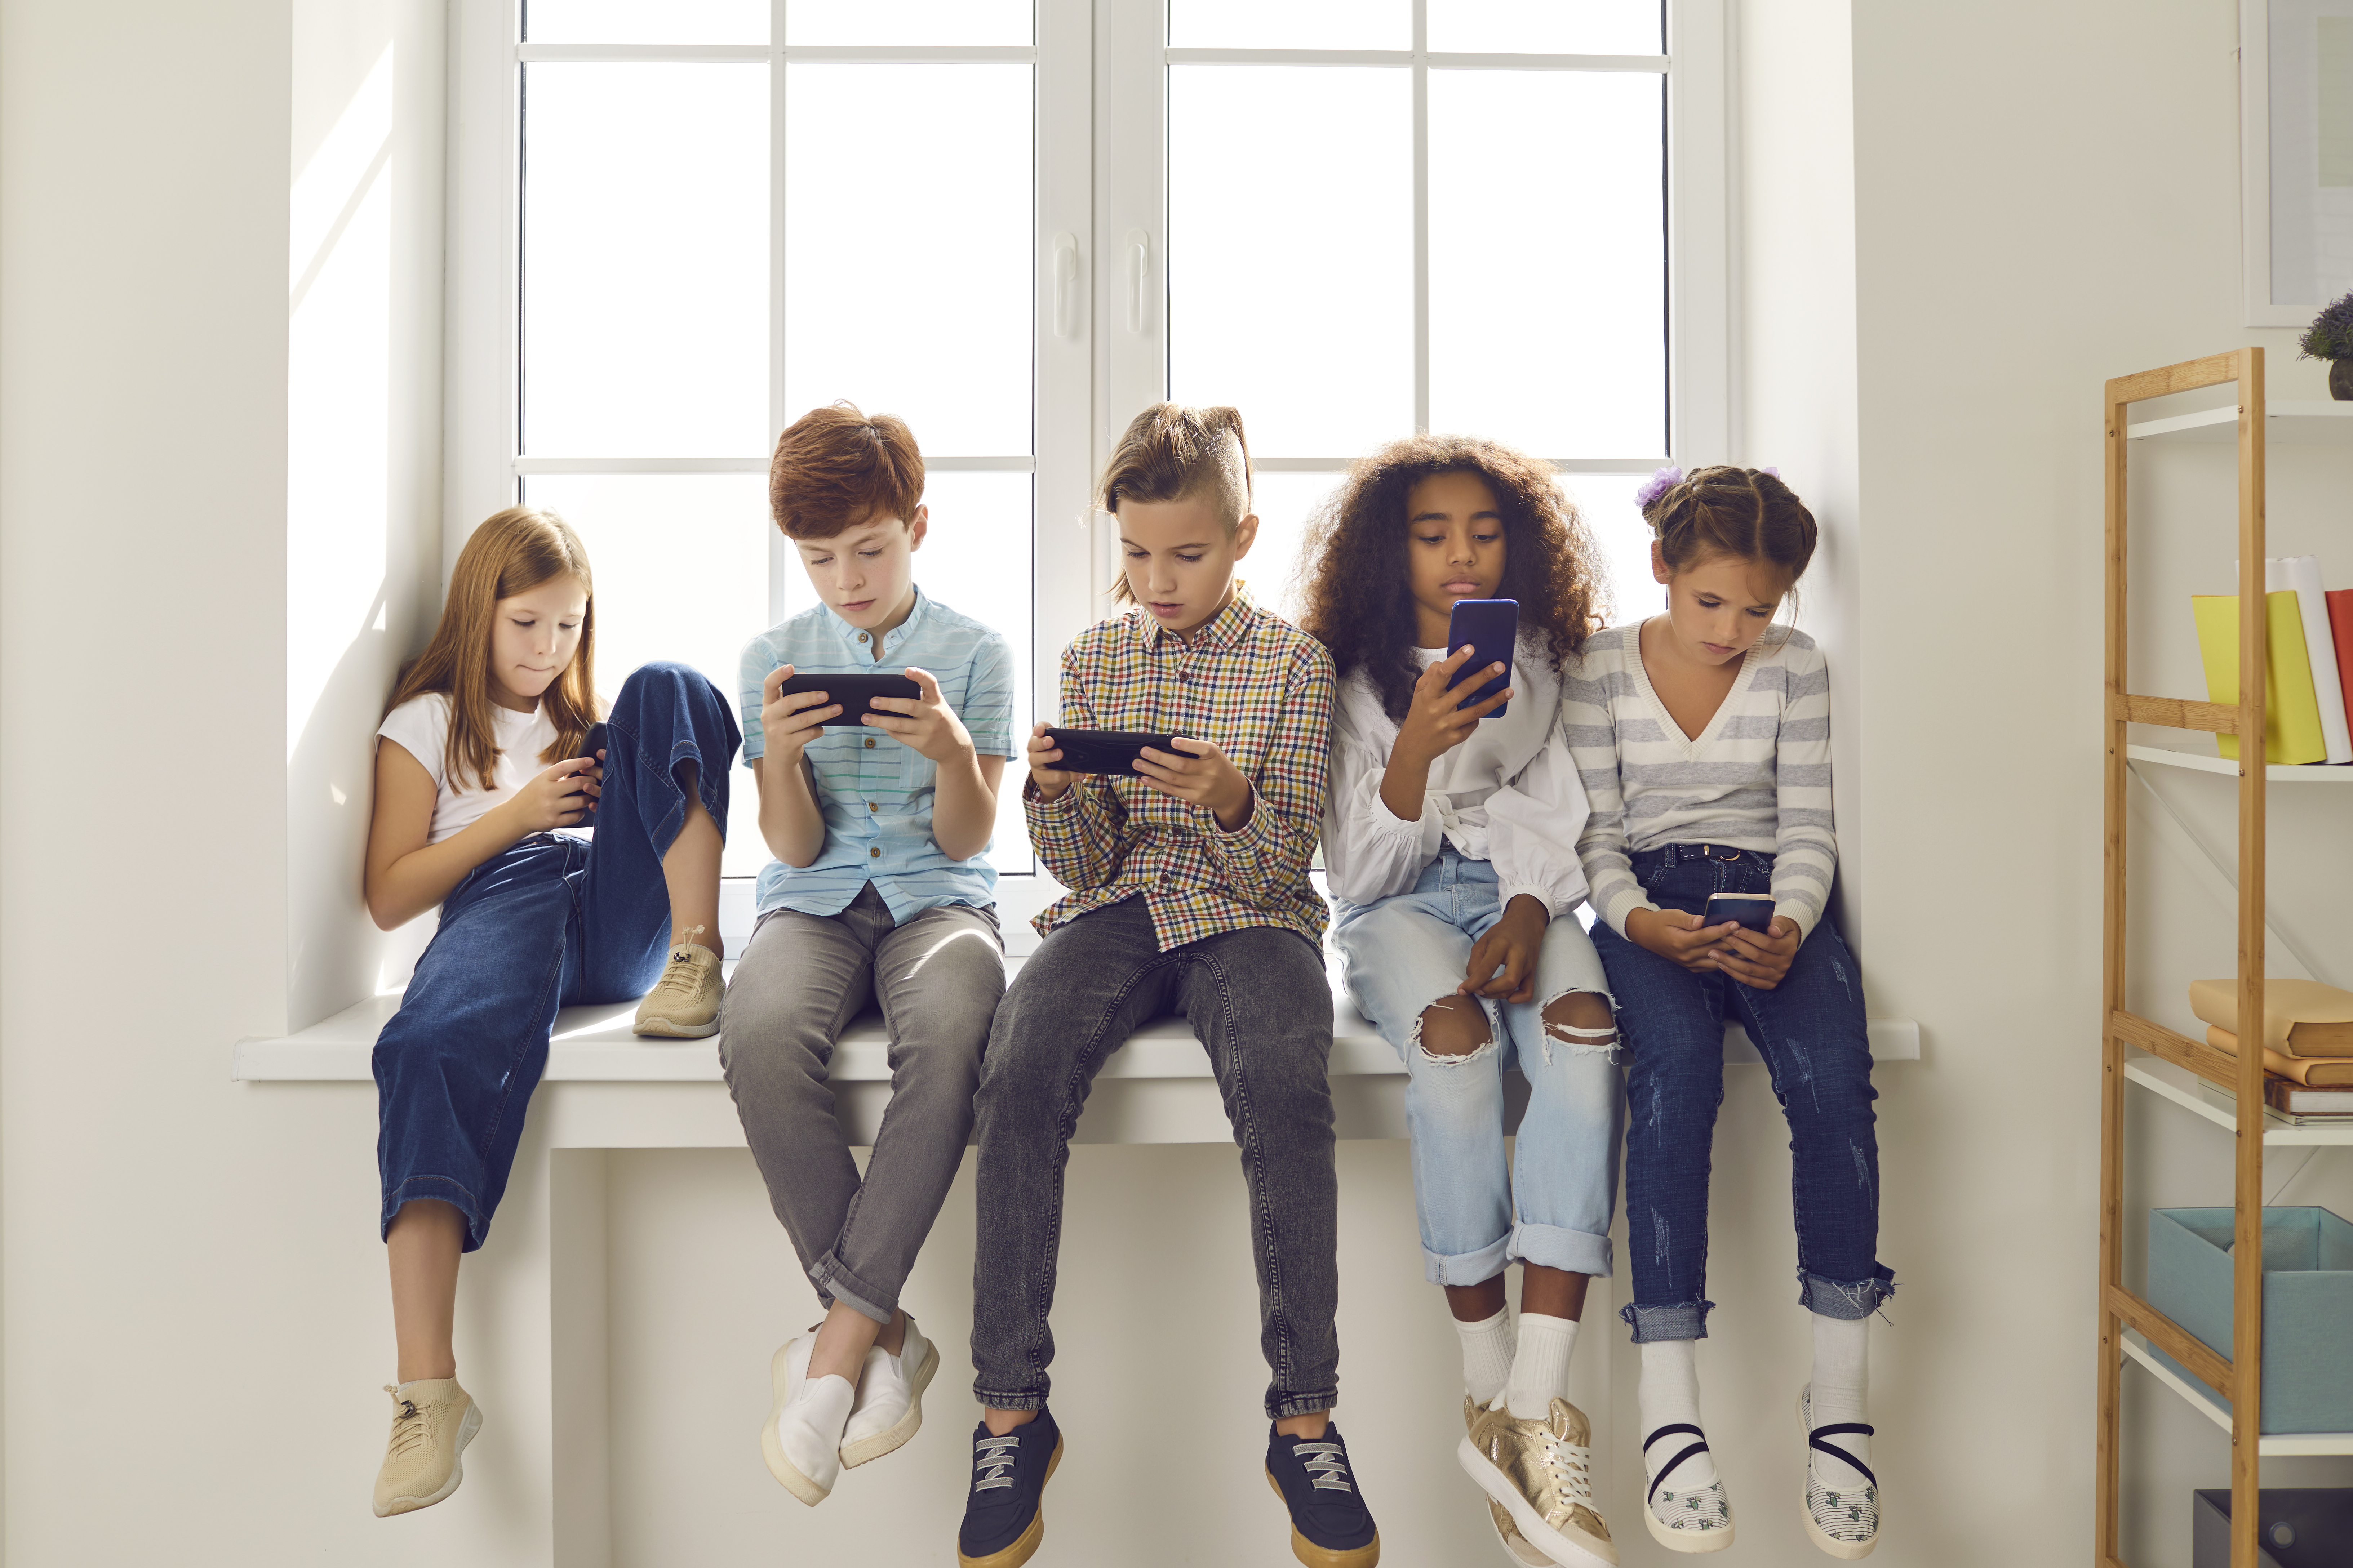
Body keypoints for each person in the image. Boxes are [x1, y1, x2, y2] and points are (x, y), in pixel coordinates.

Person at [954, 405, 1377, 1568]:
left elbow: (1281, 860)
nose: (1157, 579)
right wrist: (1053, 791)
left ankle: (1305, 1419)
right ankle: (1009, 1413)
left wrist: (1230, 798)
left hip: (1251, 916)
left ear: (1242, 537)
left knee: (1286, 1087)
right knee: (1020, 1070)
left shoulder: (1293, 665)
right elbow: (1085, 866)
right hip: (1121, 906)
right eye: (1136, 554)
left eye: (1185, 555)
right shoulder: (1094, 657)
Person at [363, 507, 738, 1516]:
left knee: (672, 689)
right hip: (506, 888)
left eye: (568, 627)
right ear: (477, 612)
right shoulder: (428, 724)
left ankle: (701, 956)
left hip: (617, 917)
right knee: (426, 1044)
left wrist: (596, 792)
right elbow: (392, 894)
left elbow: (647, 805)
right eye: (527, 624)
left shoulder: (593, 722)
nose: (548, 649)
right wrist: (515, 816)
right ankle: (427, 1393)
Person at [1301, 434, 1620, 1568]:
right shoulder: (1346, 676)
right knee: (1453, 1045)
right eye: (1433, 535)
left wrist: (1530, 910)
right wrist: (1418, 755)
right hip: (1401, 908)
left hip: (1529, 896)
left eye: (1484, 531)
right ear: (1393, 551)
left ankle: (1535, 1406)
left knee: (1584, 1033)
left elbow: (1559, 805)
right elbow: (1361, 873)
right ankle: (1483, 1387)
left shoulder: (1540, 658)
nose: (1461, 555)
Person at [1563, 466, 1890, 1559]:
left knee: (1833, 1086)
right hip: (1643, 911)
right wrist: (1637, 921)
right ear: (1661, 568)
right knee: (1674, 1086)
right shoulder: (1599, 669)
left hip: (1768, 906)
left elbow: (1809, 826)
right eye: (1711, 603)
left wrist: (1791, 921)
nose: (1733, 629)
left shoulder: (1795, 670)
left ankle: (1839, 1404)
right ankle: (1670, 1409)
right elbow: (1594, 834)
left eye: (1759, 608)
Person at [722, 403, 1017, 1506]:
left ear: (918, 527)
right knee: (755, 1035)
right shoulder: (773, 659)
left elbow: (967, 839)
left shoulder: (978, 653)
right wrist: (783, 762)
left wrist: (952, 754)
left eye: (870, 550)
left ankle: (839, 1348)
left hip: (941, 899)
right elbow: (789, 846)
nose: (846, 579)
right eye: (818, 559)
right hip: (810, 900)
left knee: (950, 1040)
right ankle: (882, 1327)